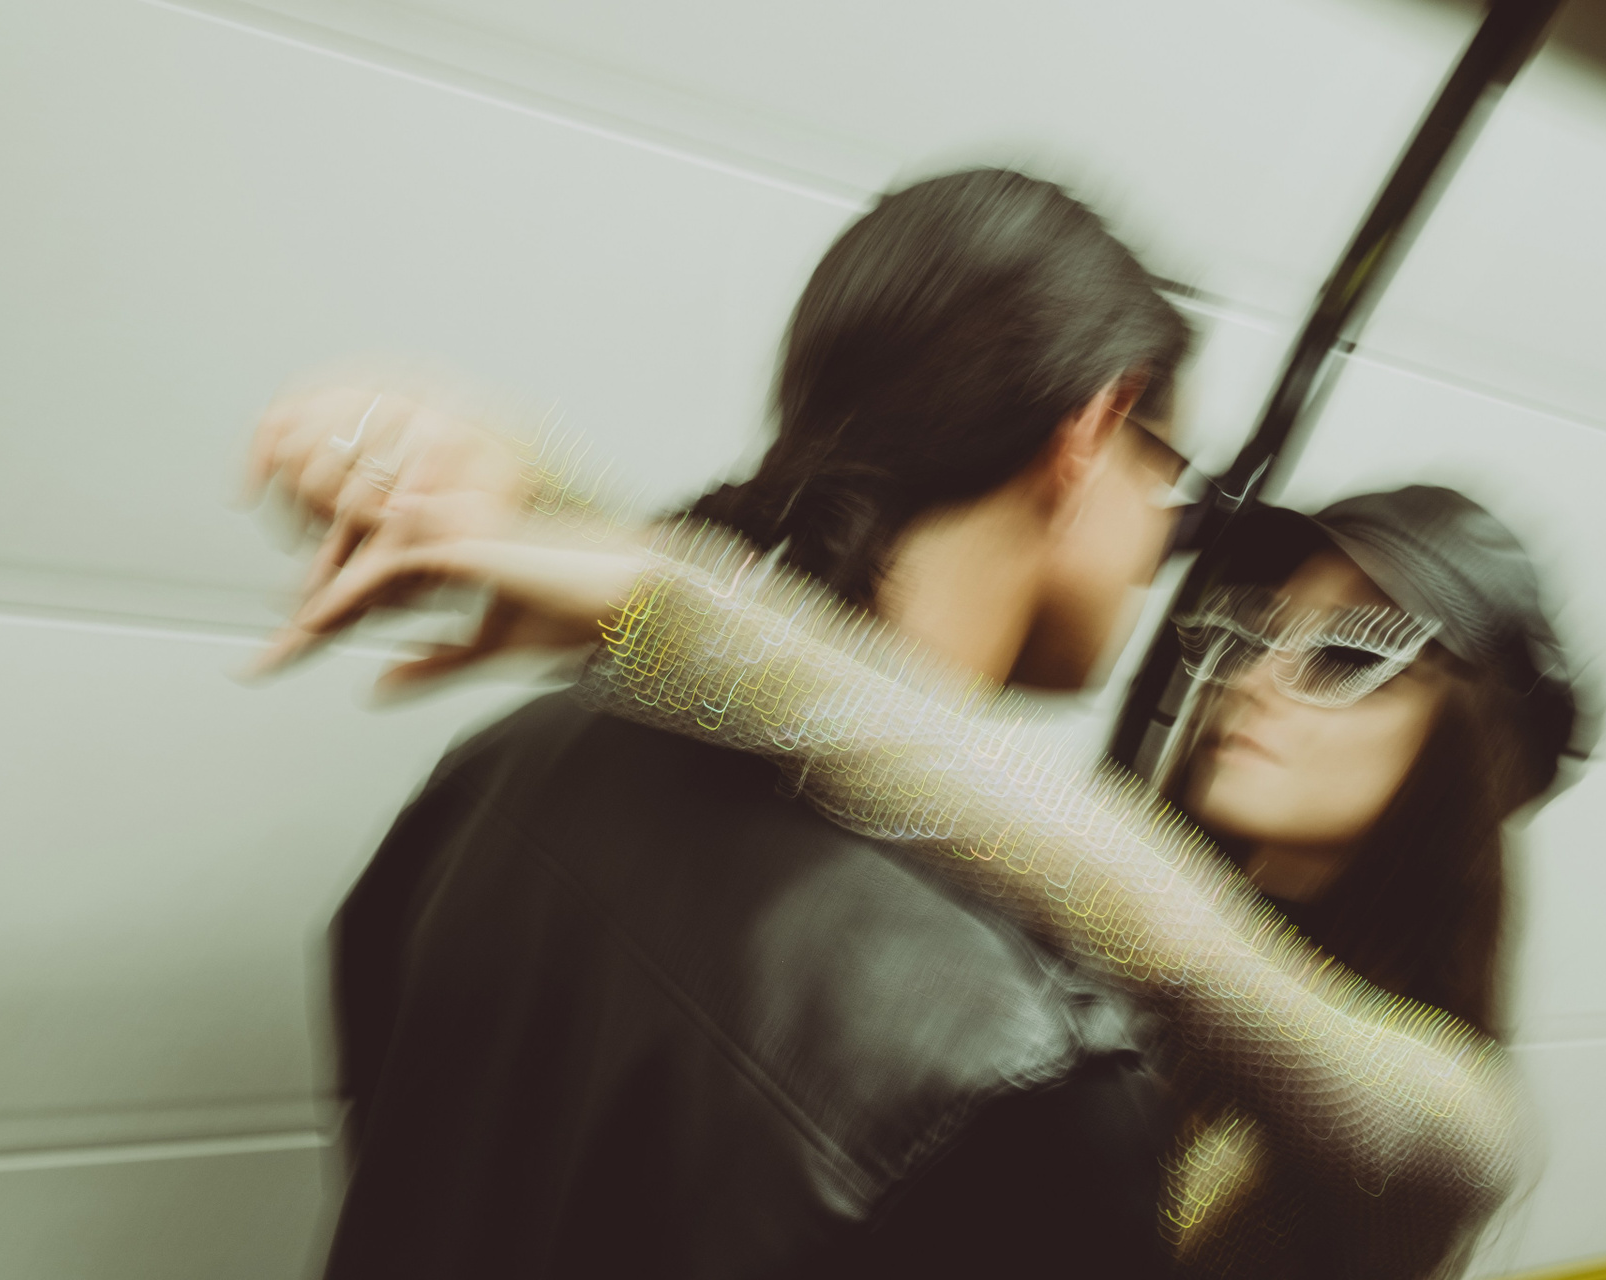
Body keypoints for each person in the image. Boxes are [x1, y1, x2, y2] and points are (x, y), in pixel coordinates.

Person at [251, 219, 1581, 1277]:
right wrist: (590, 546)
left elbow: (1111, 889)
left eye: (1354, 653)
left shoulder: (1432, 1111)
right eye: (1242, 626)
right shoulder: (1026, 1014)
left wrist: (632, 571)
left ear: (1473, 750)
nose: (1251, 676)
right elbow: (960, 793)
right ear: (1092, 435)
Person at [258, 168, 1199, 1279]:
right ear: (1094, 428)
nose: (1160, 551)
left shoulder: (506, 763)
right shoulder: (1025, 1068)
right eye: (1168, 482)